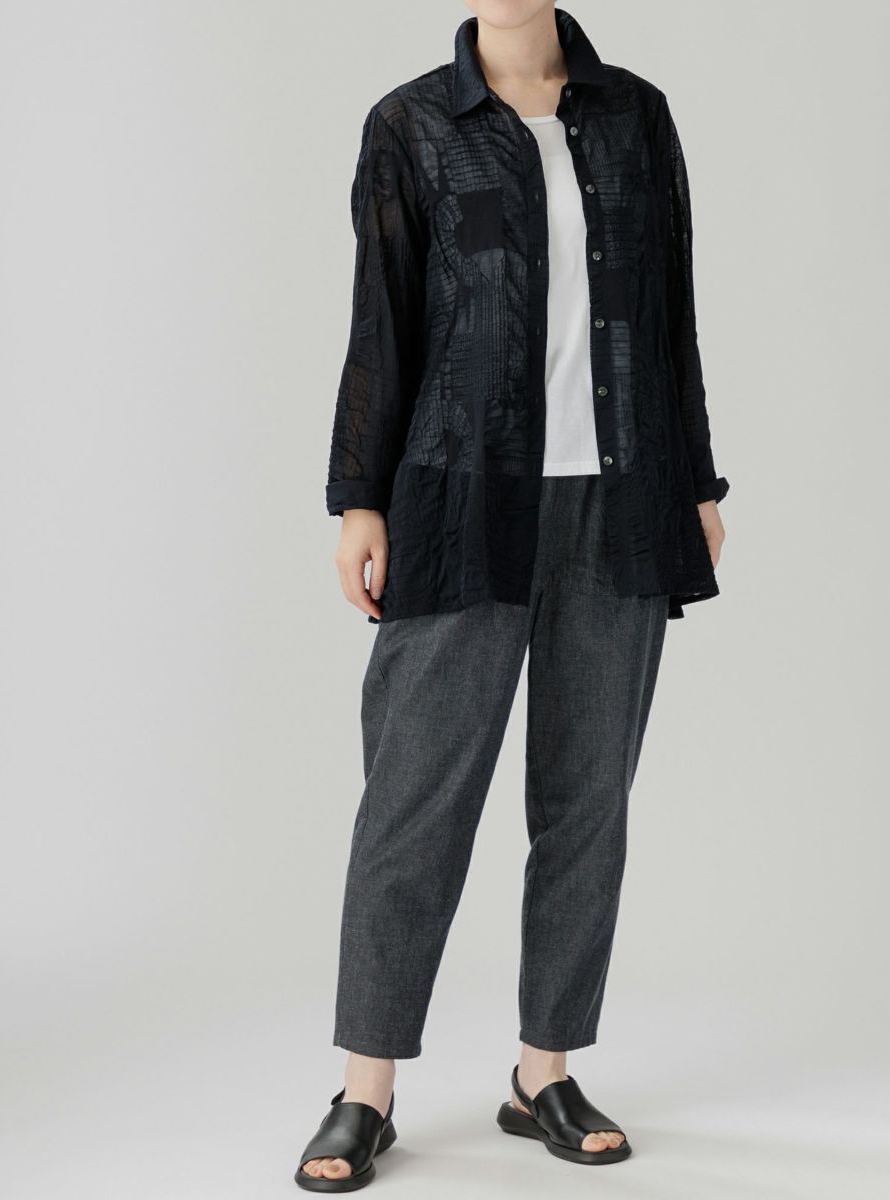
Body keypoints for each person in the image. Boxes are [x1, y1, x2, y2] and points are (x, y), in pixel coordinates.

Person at [295, 2, 730, 1190]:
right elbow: (382, 318)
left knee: (587, 797)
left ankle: (546, 1071)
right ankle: (365, 1089)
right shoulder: (413, 125)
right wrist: (359, 501)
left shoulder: (636, 117)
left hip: (620, 497)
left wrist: (696, 480)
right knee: (413, 799)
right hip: (458, 498)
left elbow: (671, 312)